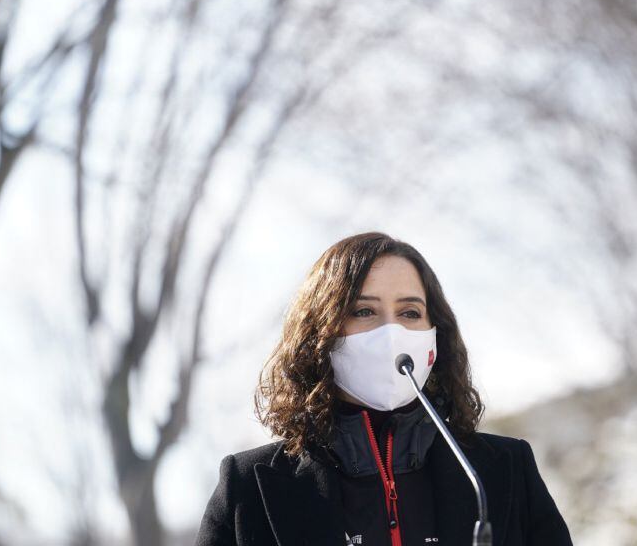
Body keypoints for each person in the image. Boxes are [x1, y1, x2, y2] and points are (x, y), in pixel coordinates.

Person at [193, 232, 573, 545]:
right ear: (319, 336)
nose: (392, 333)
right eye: (363, 311)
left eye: (410, 313)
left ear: (433, 337)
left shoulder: (503, 471)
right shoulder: (248, 489)